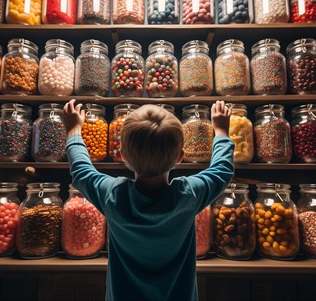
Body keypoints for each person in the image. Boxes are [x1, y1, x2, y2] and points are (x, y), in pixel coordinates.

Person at [63, 99, 235, 301]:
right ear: (180, 157)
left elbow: (81, 171)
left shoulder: (114, 195)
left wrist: (74, 129)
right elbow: (222, 170)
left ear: (124, 154)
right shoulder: (188, 195)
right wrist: (221, 131)